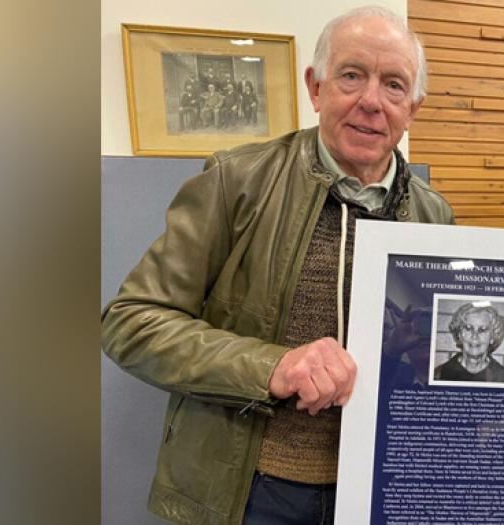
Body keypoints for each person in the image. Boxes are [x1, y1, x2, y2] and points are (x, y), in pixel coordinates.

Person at [100, 6, 453, 525]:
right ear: (317, 87)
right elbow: (131, 322)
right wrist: (273, 366)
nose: (371, 102)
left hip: (378, 486)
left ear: (414, 107)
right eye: (352, 76)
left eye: (394, 85)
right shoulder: (237, 180)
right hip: (254, 492)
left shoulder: (434, 214)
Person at [433, 302, 504, 383]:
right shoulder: (438, 375)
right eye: (468, 328)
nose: (474, 336)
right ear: (459, 334)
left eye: (482, 329)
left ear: (492, 337)